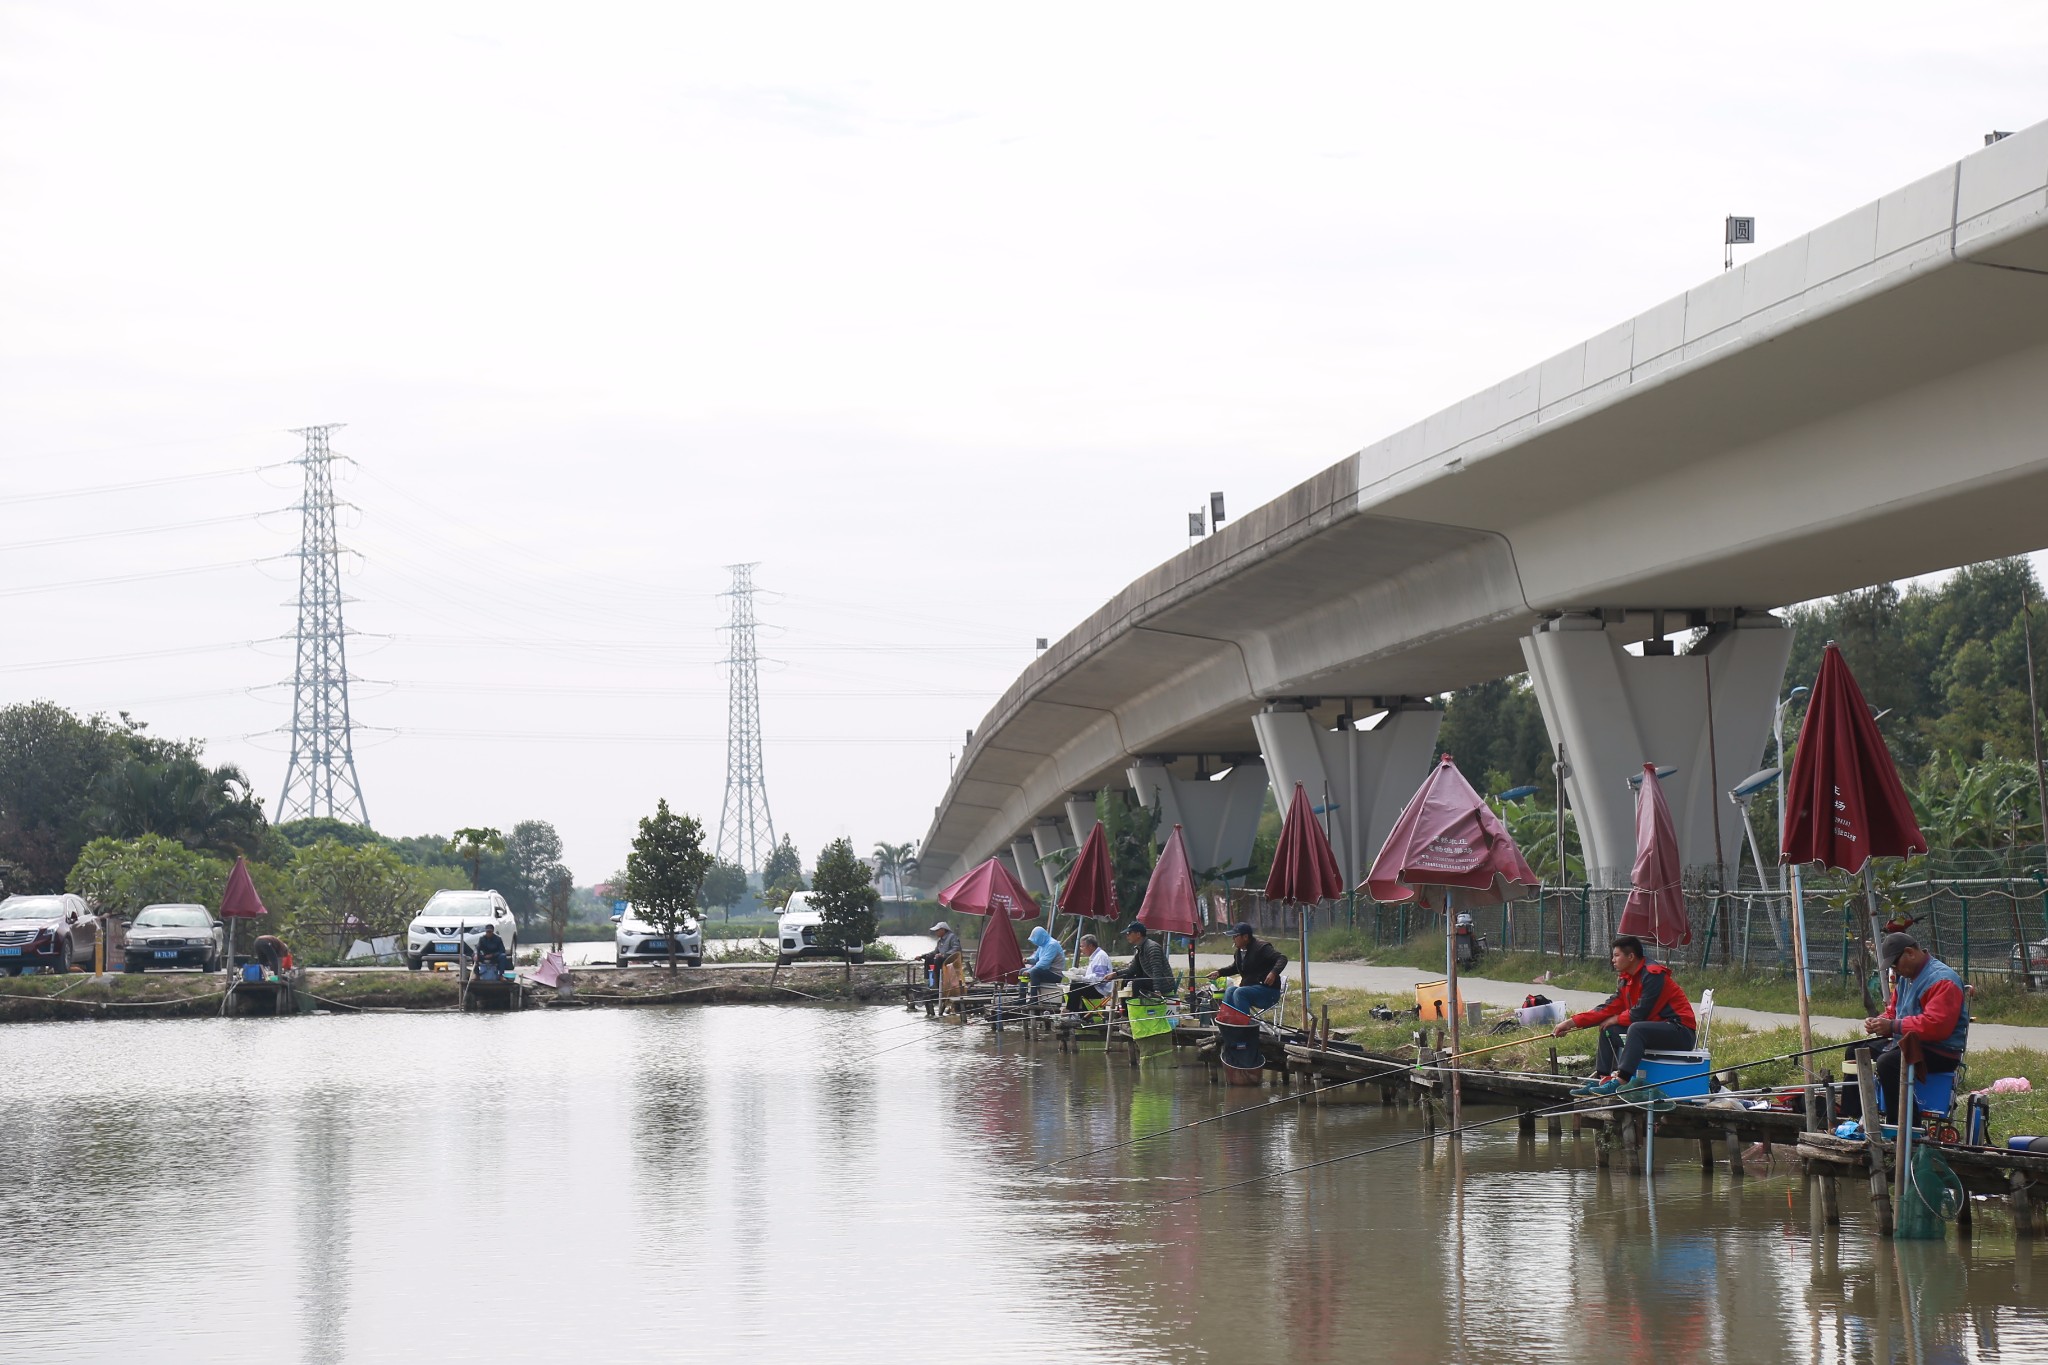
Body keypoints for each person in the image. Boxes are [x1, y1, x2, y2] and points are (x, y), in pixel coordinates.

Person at [1552, 935, 1697, 1097]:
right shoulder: (1626, 979)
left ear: (1631, 956)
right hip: (1655, 1030)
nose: (1612, 960)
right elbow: (1607, 1009)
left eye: (1616, 955)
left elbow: (1641, 1013)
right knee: (1609, 1029)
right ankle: (1601, 1078)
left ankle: (1621, 1081)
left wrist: (1616, 1018)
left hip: (1680, 1032)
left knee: (1636, 1028)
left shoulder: (1653, 975)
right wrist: (1571, 1022)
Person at [1861, 931, 1970, 1121]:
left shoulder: (1942, 980)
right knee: (1857, 1052)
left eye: (1895, 964)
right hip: (1907, 1043)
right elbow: (1894, 1012)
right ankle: (1857, 1117)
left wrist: (1893, 1026)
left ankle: (1905, 1128)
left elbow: (1936, 1026)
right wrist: (1879, 1022)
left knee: (1888, 1063)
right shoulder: (1905, 979)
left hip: (1938, 1051)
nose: (1895, 970)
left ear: (1910, 953)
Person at [1207, 922, 1287, 1015]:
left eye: (1235, 936)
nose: (1233, 939)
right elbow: (1235, 968)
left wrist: (1273, 973)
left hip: (1268, 992)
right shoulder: (1239, 952)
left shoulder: (1261, 947)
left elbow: (1282, 958)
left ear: (1245, 937)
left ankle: (1244, 1025)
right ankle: (1229, 1022)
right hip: (1250, 990)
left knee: (1240, 992)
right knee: (1230, 991)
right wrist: (1219, 973)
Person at [1113, 922, 1175, 998]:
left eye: (1129, 933)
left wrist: (1157, 990)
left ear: (1138, 934)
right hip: (1150, 979)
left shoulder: (1152, 948)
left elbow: (1157, 971)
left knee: (1137, 983)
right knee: (1127, 978)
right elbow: (1132, 969)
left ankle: (1137, 1007)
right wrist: (1116, 974)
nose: (1127, 935)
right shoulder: (1139, 948)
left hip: (1163, 983)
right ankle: (1126, 1008)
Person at [1066, 933, 1115, 1012]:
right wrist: (1079, 972)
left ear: (1091, 946)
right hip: (1096, 986)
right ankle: (1083, 1015)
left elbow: (1099, 977)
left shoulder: (1100, 956)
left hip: (1101, 988)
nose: (1081, 949)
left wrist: (1082, 978)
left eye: (1082, 946)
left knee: (1075, 986)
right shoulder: (1095, 956)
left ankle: (1072, 1013)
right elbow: (1092, 972)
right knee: (1074, 987)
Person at [1022, 925, 1065, 1007]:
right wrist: (1028, 960)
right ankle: (1022, 997)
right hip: (1046, 971)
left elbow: (1044, 963)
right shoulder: (1042, 945)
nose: (1035, 942)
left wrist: (1030, 971)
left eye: (1036, 939)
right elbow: (1035, 958)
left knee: (1034, 972)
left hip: (1055, 974)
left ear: (1041, 937)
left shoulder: (1052, 945)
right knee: (1022, 971)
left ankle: (1034, 999)